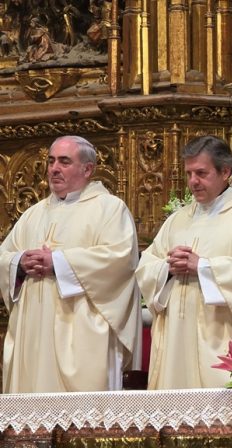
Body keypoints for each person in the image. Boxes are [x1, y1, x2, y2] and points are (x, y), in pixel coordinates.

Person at [136, 135, 232, 389]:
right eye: (189, 174)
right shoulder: (177, 219)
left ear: (225, 172)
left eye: (201, 173)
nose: (193, 182)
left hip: (220, 341)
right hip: (176, 342)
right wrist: (167, 269)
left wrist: (203, 267)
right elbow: (145, 267)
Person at [0, 135, 141, 393]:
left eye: (64, 161)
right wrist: (20, 262)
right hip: (33, 333)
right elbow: (4, 255)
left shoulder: (109, 209)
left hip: (82, 334)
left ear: (88, 169)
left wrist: (57, 261)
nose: (54, 168)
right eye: (51, 161)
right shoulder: (34, 213)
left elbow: (120, 259)